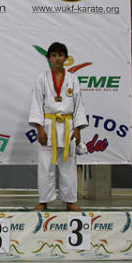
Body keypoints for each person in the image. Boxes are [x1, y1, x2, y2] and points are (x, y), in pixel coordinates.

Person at [29, 42, 88, 211]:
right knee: (45, 166)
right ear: (49, 58)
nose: (57, 58)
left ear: (66, 58)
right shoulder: (41, 78)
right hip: (48, 126)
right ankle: (44, 201)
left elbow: (78, 104)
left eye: (60, 55)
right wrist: (39, 128)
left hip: (68, 126)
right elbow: (36, 104)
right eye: (54, 55)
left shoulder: (72, 79)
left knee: (68, 165)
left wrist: (77, 129)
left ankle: (69, 201)